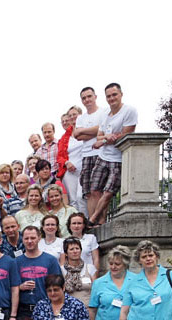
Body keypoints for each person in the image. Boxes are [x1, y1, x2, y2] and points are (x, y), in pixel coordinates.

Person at [89, 83, 138, 226]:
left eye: (114, 95)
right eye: (109, 96)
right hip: (103, 156)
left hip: (118, 157)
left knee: (109, 191)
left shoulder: (129, 110)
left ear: (121, 94)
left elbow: (126, 135)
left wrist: (106, 139)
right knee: (95, 189)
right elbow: (99, 137)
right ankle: (101, 219)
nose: (112, 98)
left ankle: (93, 218)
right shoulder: (105, 113)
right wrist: (106, 138)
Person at [89, 246, 136, 320]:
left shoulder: (136, 280)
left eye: (117, 264)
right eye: (111, 264)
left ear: (125, 264)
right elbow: (92, 309)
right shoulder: (99, 283)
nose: (113, 267)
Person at [15, 226, 61, 318]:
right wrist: (20, 287)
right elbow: (10, 287)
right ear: (22, 240)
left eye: (33, 238)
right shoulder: (16, 262)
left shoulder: (50, 260)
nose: (29, 241)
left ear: (39, 238)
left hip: (46, 308)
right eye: (26, 238)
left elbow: (58, 285)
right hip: (24, 310)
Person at [75, 87, 107, 218]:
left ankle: (101, 221)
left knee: (99, 191)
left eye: (89, 96)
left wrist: (85, 131)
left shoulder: (104, 112)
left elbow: (103, 130)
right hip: (86, 155)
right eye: (84, 98)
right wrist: (96, 130)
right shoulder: (80, 118)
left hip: (101, 153)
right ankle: (91, 220)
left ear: (95, 97)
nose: (87, 100)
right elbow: (77, 135)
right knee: (88, 192)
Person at [61, 107, 85, 214]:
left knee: (81, 197)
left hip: (84, 168)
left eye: (74, 114)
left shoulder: (86, 129)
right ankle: (75, 223)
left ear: (80, 114)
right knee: (73, 200)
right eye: (70, 115)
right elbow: (60, 156)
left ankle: (85, 220)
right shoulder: (64, 137)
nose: (72, 117)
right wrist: (67, 163)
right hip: (70, 171)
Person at [61, 238, 96, 306]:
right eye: (71, 249)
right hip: (69, 309)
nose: (75, 251)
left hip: (88, 308)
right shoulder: (61, 270)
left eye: (77, 248)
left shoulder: (90, 268)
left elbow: (95, 290)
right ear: (66, 253)